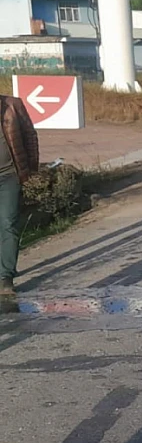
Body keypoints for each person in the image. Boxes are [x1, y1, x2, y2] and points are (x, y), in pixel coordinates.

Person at [0, 94, 38, 296]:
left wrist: (30, 168)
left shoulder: (12, 105)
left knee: (8, 223)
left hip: (9, 176)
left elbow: (29, 135)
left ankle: (5, 277)